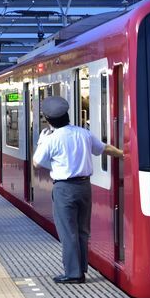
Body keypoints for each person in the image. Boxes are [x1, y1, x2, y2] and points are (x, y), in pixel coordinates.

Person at [32, 96, 124, 284]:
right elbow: (104, 148)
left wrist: (41, 142)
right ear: (67, 115)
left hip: (64, 188)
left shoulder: (50, 139)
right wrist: (125, 154)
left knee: (68, 231)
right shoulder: (84, 133)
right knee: (82, 230)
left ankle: (74, 274)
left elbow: (36, 163)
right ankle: (81, 267)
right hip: (84, 187)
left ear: (48, 120)